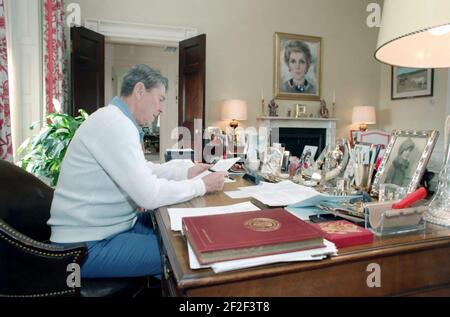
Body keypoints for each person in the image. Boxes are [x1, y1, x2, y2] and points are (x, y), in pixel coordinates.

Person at [48, 64, 226, 279]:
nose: (161, 108)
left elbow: (142, 170)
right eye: (160, 98)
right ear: (140, 90)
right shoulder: (115, 124)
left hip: (105, 231)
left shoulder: (113, 119)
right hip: (83, 248)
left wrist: (187, 172)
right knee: (186, 252)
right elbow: (149, 195)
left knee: (177, 234)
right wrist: (202, 185)